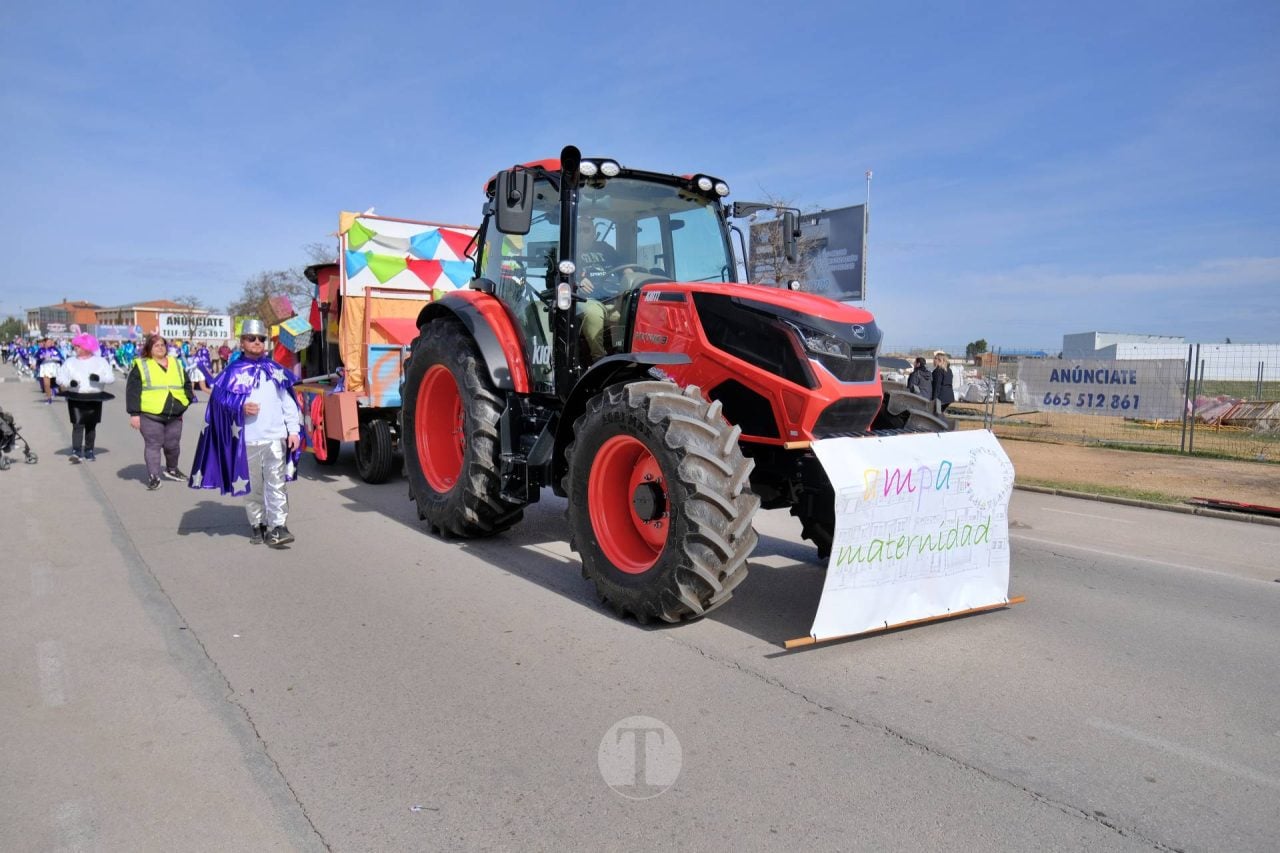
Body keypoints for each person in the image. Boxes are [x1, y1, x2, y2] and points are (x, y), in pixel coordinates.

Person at [188, 320, 302, 548]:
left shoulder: (274, 370)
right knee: (253, 488)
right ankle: (257, 524)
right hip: (247, 440)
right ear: (242, 343)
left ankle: (278, 526)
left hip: (274, 438)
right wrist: (239, 408)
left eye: (261, 339)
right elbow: (218, 404)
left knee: (276, 484)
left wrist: (294, 431)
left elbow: (288, 402)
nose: (257, 342)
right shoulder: (232, 372)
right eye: (252, 338)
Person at [126, 333, 193, 490]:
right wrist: (134, 414)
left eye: (162, 345)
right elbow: (133, 391)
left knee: (172, 445)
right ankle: (154, 477)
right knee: (153, 444)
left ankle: (172, 469)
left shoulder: (175, 363)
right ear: (149, 348)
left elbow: (187, 383)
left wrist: (186, 401)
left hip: (175, 414)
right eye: (156, 345)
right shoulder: (141, 365)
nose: (160, 348)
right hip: (151, 414)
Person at [55, 333, 116, 462]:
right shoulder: (70, 361)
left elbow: (111, 378)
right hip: (76, 397)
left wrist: (99, 378)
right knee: (77, 424)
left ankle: (89, 451)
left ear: (87, 347)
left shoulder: (100, 361)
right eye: (75, 345)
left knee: (91, 426)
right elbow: (60, 378)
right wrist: (69, 383)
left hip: (94, 396)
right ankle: (76, 451)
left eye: (78, 345)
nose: (75, 348)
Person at [36, 338, 63, 403]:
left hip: (54, 367)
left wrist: (51, 357)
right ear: (44, 343)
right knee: (46, 384)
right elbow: (37, 357)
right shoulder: (41, 350)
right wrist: (42, 357)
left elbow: (59, 357)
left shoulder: (54, 349)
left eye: (51, 342)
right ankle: (49, 399)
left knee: (61, 384)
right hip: (45, 368)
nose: (50, 343)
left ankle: (66, 395)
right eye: (48, 342)